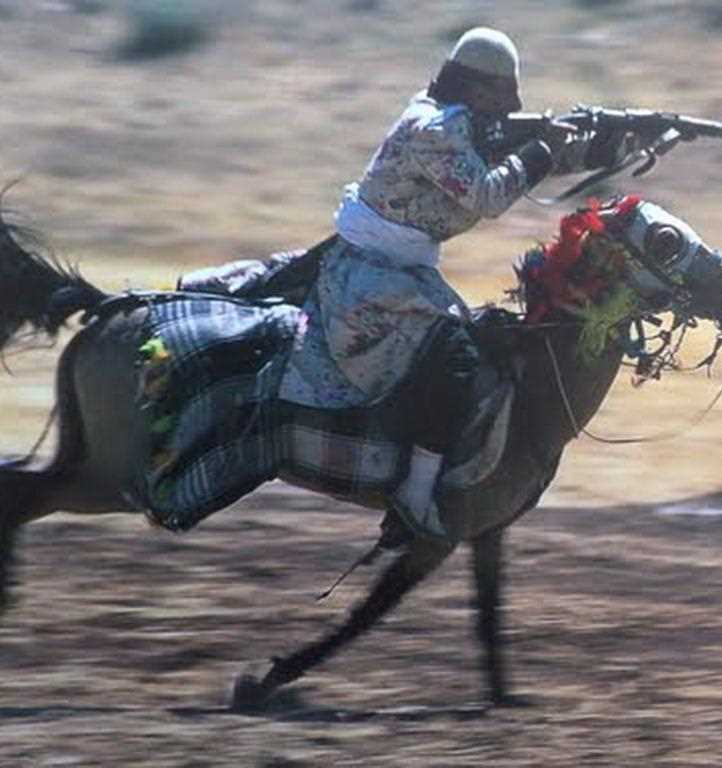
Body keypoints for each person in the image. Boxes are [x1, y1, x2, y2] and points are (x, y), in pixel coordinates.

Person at [182, 28, 625, 540]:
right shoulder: (433, 130)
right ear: (478, 90)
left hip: (395, 268)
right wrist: (544, 149)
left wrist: (602, 150)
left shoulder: (452, 123)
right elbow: (486, 195)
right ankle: (416, 492)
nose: (513, 104)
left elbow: (515, 164)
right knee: (456, 358)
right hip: (372, 274)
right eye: (504, 93)